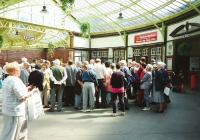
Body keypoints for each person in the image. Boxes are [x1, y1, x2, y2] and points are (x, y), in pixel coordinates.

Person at [0, 62, 36, 140]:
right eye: (18, 69)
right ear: (15, 70)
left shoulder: (7, 79)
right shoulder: (15, 80)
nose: (20, 70)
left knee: (8, 131)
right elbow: (22, 97)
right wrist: (32, 92)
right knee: (14, 133)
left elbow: (13, 91)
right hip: (16, 111)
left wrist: (26, 88)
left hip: (8, 109)